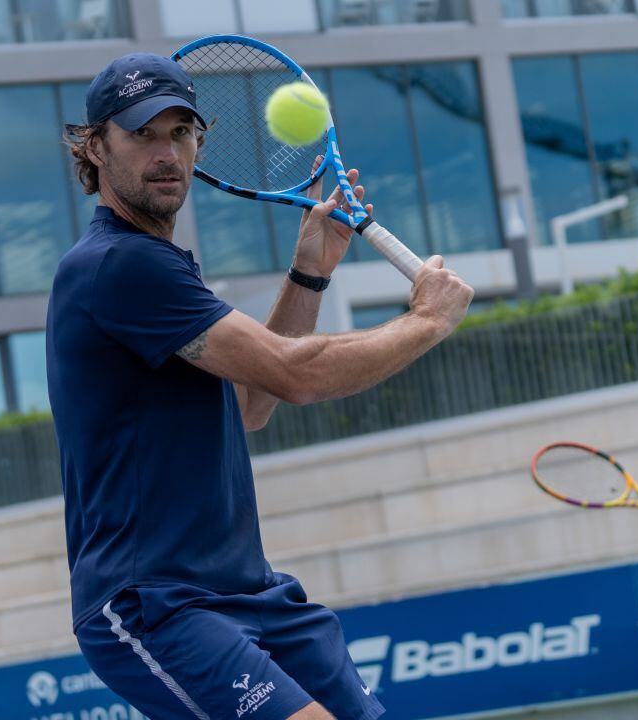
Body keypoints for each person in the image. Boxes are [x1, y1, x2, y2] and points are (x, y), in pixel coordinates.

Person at [47, 53, 473, 720]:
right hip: (152, 603)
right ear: (95, 146)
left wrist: (308, 274)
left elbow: (251, 403)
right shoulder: (115, 267)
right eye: (142, 134)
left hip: (250, 592)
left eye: (181, 133)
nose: (167, 153)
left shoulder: (162, 271)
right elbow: (296, 375)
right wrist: (428, 320)